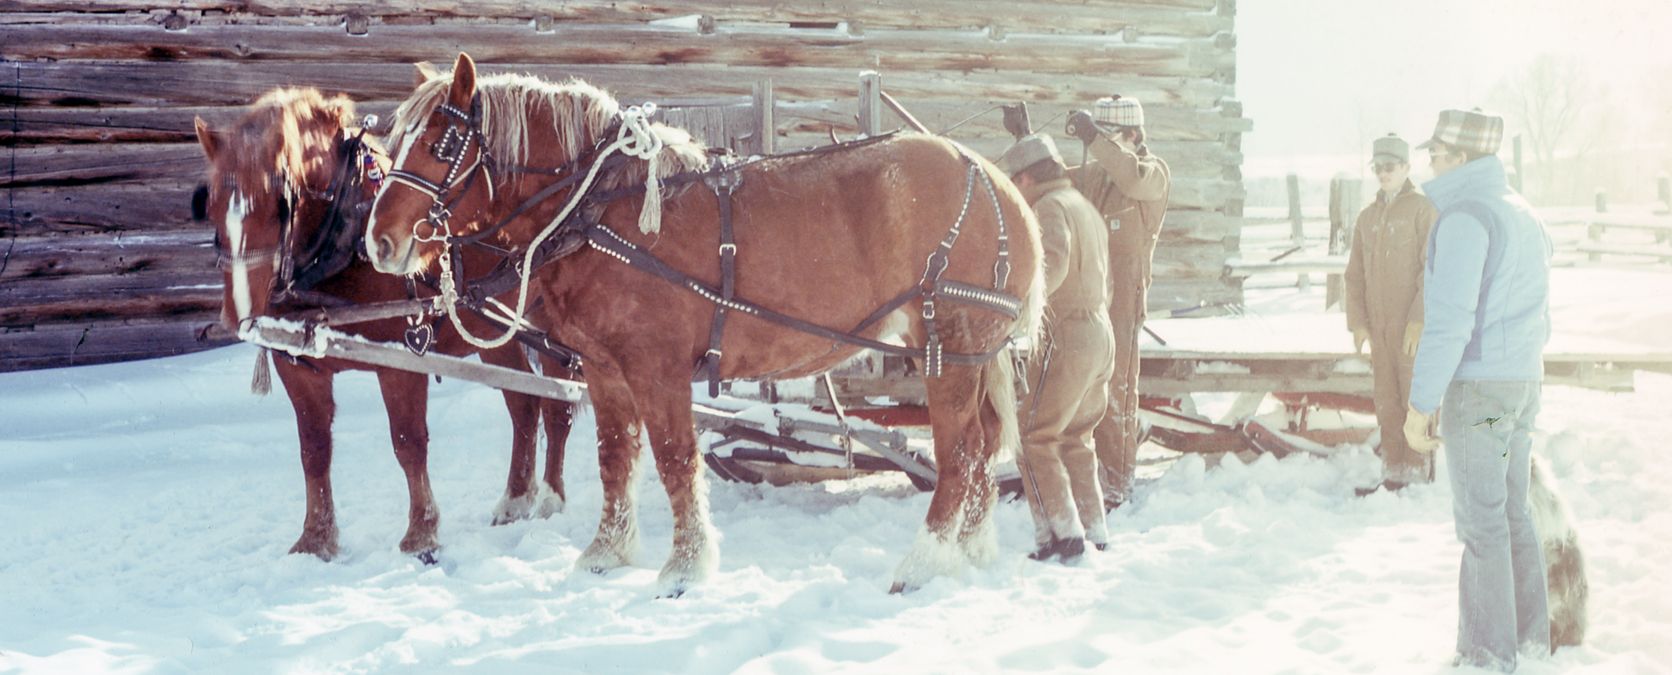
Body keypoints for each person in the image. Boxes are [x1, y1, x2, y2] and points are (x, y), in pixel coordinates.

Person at [1404, 108, 1554, 671]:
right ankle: (1532, 640)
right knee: (1512, 512)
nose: (1431, 164)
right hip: (1518, 393)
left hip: (1482, 399)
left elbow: (1449, 322)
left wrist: (1420, 406)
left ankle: (1489, 653)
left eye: (1437, 154)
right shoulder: (1523, 212)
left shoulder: (1467, 217)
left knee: (1483, 519)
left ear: (1461, 159)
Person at [998, 133, 1116, 563]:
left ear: (1026, 178)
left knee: (1033, 434)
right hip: (1100, 332)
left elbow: (1054, 263)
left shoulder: (1047, 208)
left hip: (1066, 334)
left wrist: (1019, 313)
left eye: (1014, 183)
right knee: (1075, 436)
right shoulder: (1083, 206)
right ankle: (1094, 530)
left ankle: (1064, 537)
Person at [1064, 95, 1171, 510]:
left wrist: (1093, 137)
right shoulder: (1098, 176)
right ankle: (1088, 475)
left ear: (1132, 135)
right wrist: (1023, 139)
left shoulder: (1152, 173)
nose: (1100, 146)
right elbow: (1050, 179)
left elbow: (1131, 178)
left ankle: (1118, 482)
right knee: (1084, 384)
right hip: (1090, 291)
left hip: (1126, 294)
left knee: (1118, 389)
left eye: (1109, 137)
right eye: (1098, 137)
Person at [1345, 133, 1439, 494]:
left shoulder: (1422, 210)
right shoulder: (1367, 218)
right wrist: (1358, 323)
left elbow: (1431, 269)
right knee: (1386, 402)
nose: (1383, 174)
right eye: (1378, 167)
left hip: (1411, 330)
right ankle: (1393, 473)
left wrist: (1419, 317)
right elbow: (1353, 275)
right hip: (1380, 330)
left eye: (1390, 167)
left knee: (1413, 399)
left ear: (1405, 168)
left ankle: (1416, 476)